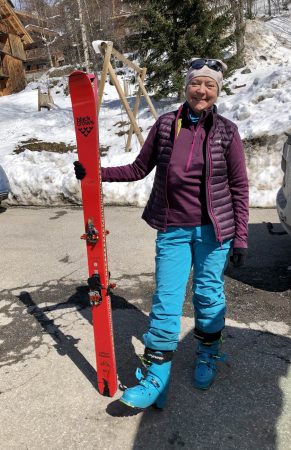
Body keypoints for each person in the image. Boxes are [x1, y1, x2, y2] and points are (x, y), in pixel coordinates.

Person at [74, 58, 249, 410]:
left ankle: (207, 355)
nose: (202, 90)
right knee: (166, 301)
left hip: (215, 232)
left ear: (217, 91)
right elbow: (139, 168)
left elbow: (239, 187)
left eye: (209, 85)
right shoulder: (167, 125)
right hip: (173, 228)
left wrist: (241, 237)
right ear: (187, 87)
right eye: (196, 83)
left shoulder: (227, 131)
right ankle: (156, 375)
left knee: (208, 295)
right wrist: (95, 171)